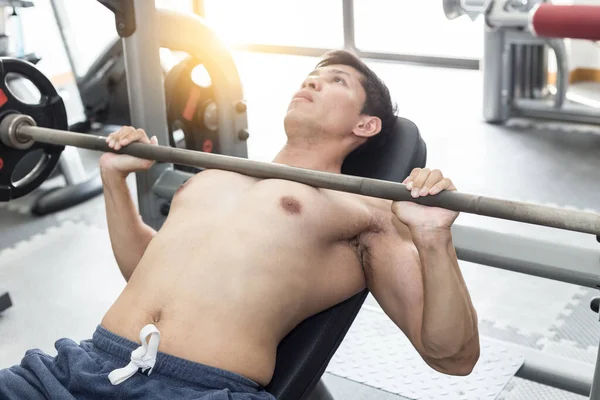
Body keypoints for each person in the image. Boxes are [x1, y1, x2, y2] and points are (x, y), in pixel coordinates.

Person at [0, 50, 479, 399]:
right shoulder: (214, 176)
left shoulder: (365, 214)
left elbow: (452, 356)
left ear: (366, 125)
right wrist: (113, 182)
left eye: (335, 81)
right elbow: (142, 271)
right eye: (311, 75)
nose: (310, 82)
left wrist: (435, 239)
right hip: (78, 367)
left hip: (199, 390)